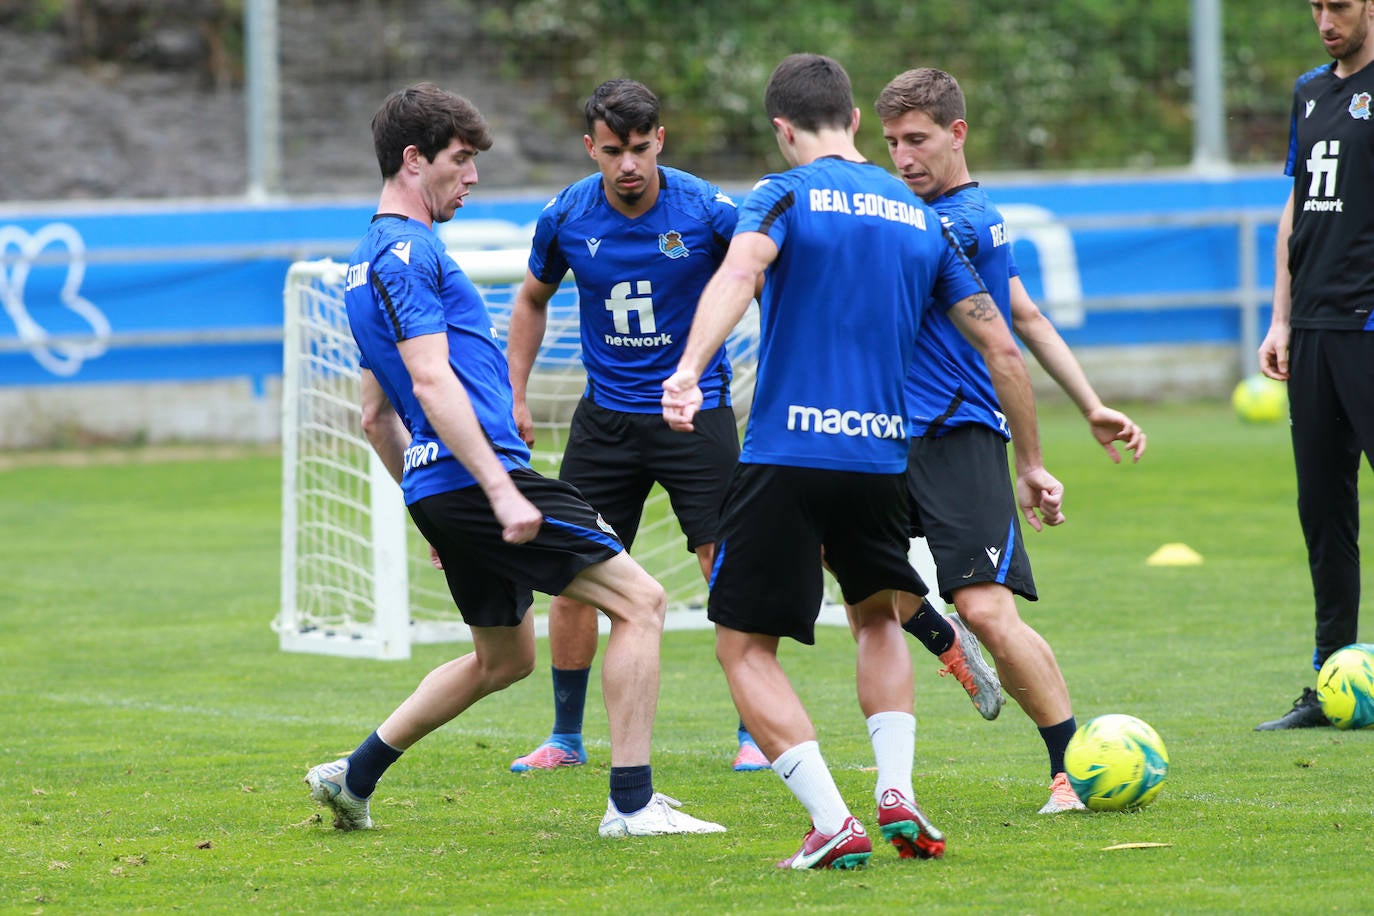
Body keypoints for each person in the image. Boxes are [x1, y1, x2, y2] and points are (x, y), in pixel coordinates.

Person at [662, 53, 1064, 869]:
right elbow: (1000, 344)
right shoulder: (922, 218)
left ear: (784, 129)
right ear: (853, 121)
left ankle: (829, 819)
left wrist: (686, 368)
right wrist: (1031, 458)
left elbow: (741, 272)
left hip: (787, 453)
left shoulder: (781, 194)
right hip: (882, 458)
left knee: (744, 646)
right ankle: (897, 792)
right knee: (876, 613)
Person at [303, 82, 725, 839]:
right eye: (460, 161)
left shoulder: (362, 266)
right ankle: (631, 805)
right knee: (642, 602)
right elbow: (429, 382)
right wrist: (500, 491)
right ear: (413, 160)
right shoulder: (408, 254)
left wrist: (428, 507)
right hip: (477, 476)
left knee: (504, 660)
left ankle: (352, 775)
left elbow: (375, 415)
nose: (471, 178)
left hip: (439, 483)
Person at [872, 68, 1147, 813]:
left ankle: (1070, 765)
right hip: (883, 434)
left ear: (957, 134)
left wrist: (1031, 462)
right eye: (892, 142)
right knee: (867, 582)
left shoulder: (956, 222)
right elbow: (1024, 312)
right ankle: (946, 645)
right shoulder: (939, 217)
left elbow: (1005, 346)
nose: (902, 158)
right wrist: (1090, 403)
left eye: (918, 140)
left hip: (957, 432)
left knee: (989, 609)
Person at [504, 79, 767, 774]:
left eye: (641, 149)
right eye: (614, 150)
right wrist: (515, 394)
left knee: (728, 569)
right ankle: (565, 737)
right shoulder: (566, 215)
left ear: (661, 143)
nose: (628, 165)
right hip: (607, 422)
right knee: (574, 574)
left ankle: (753, 733)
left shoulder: (709, 212)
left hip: (694, 415)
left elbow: (766, 286)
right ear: (591, 147)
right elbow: (532, 299)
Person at [1255, 0, 1374, 730]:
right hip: (1314, 328)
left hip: (1369, 324)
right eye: (1315, 6)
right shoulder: (1310, 90)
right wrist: (1279, 315)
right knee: (1323, 510)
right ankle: (1332, 680)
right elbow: (1297, 204)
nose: (1325, 18)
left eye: (1340, 4)